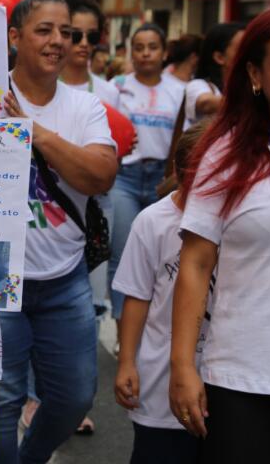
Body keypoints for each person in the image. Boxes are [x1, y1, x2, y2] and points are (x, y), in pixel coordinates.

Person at [170, 6, 270, 462]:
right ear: (254, 75)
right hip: (245, 377)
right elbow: (195, 263)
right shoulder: (225, 154)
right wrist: (182, 366)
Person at [0, 0, 117, 463]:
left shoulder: (86, 108)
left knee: (73, 398)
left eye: (67, 32)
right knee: (2, 402)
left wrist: (35, 132)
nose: (59, 40)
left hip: (65, 282)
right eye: (44, 30)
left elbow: (100, 175)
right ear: (15, 36)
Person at [113, 123, 207, 464]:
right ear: (179, 172)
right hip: (160, 381)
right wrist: (127, 361)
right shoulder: (152, 221)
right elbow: (136, 296)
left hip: (221, 380)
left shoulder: (237, 217)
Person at [57, 0, 119, 435]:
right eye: (71, 34)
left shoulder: (107, 91)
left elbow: (110, 160)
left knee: (91, 301)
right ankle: (38, 397)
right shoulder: (31, 89)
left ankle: (71, 400)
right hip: (45, 215)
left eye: (89, 36)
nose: (80, 44)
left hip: (94, 209)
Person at [107, 24, 183, 329]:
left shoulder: (179, 90)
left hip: (163, 180)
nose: (145, 53)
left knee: (164, 254)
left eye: (152, 47)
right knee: (122, 253)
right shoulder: (116, 87)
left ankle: (156, 327)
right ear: (131, 52)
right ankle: (122, 330)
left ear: (164, 53)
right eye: (138, 47)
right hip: (124, 177)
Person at [184, 23, 245, 127]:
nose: (249, 53)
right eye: (242, 49)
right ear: (219, 57)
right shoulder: (198, 85)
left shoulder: (254, 86)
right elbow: (206, 103)